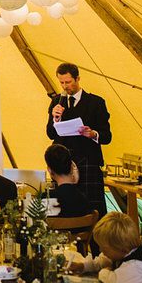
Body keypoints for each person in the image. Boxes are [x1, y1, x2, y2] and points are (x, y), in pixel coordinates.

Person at [46, 62, 111, 216]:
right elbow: (50, 134)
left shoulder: (96, 102)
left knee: (92, 207)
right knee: (64, 207)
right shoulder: (56, 102)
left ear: (77, 79)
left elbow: (107, 136)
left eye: (68, 82)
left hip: (87, 159)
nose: (65, 86)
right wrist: (56, 120)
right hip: (63, 163)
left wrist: (93, 134)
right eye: (61, 82)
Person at [69, 212, 142, 283]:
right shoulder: (121, 253)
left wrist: (104, 271)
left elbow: (113, 282)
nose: (101, 250)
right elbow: (102, 261)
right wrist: (83, 266)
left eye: (105, 249)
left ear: (121, 247)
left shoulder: (137, 266)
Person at [44, 143, 93, 218]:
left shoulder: (46, 198)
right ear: (72, 166)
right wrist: (74, 183)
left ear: (49, 170)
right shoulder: (83, 199)